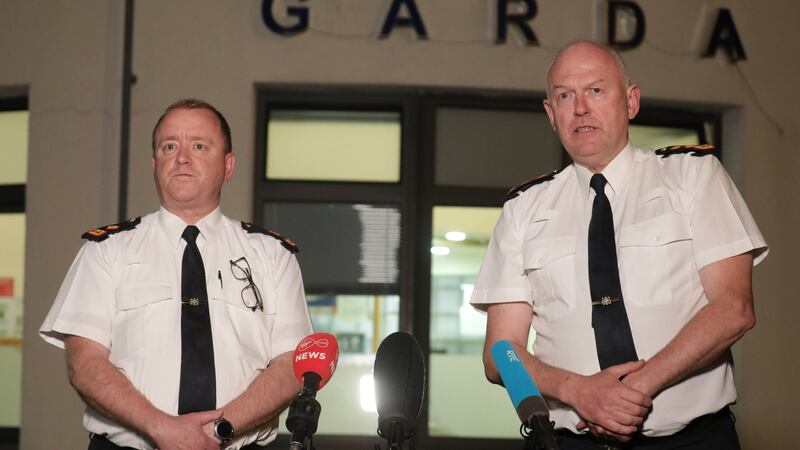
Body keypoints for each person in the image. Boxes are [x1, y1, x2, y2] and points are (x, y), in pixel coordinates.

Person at [472, 41, 768, 449]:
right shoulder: (522, 210)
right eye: (564, 95)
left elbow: (734, 309)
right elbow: (499, 354)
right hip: (566, 442)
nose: (580, 108)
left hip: (691, 441)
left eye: (596, 90)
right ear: (550, 114)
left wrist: (634, 390)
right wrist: (579, 391)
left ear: (631, 101)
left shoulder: (693, 177)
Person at [40, 99, 313, 450]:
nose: (182, 157)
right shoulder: (106, 251)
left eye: (199, 146)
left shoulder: (273, 257)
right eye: (169, 146)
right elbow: (85, 363)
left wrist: (219, 431)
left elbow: (292, 364)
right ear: (155, 165)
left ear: (228, 166)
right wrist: (162, 429)